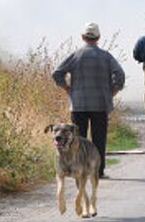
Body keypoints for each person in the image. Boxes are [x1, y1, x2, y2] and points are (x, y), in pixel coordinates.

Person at [52, 22, 126, 178]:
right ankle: (98, 172)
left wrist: (67, 88)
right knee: (99, 139)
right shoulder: (106, 56)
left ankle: (79, 171)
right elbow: (120, 74)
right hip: (100, 104)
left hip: (78, 104)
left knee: (78, 141)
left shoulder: (76, 55)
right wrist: (113, 91)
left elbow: (57, 73)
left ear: (83, 37)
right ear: (98, 37)